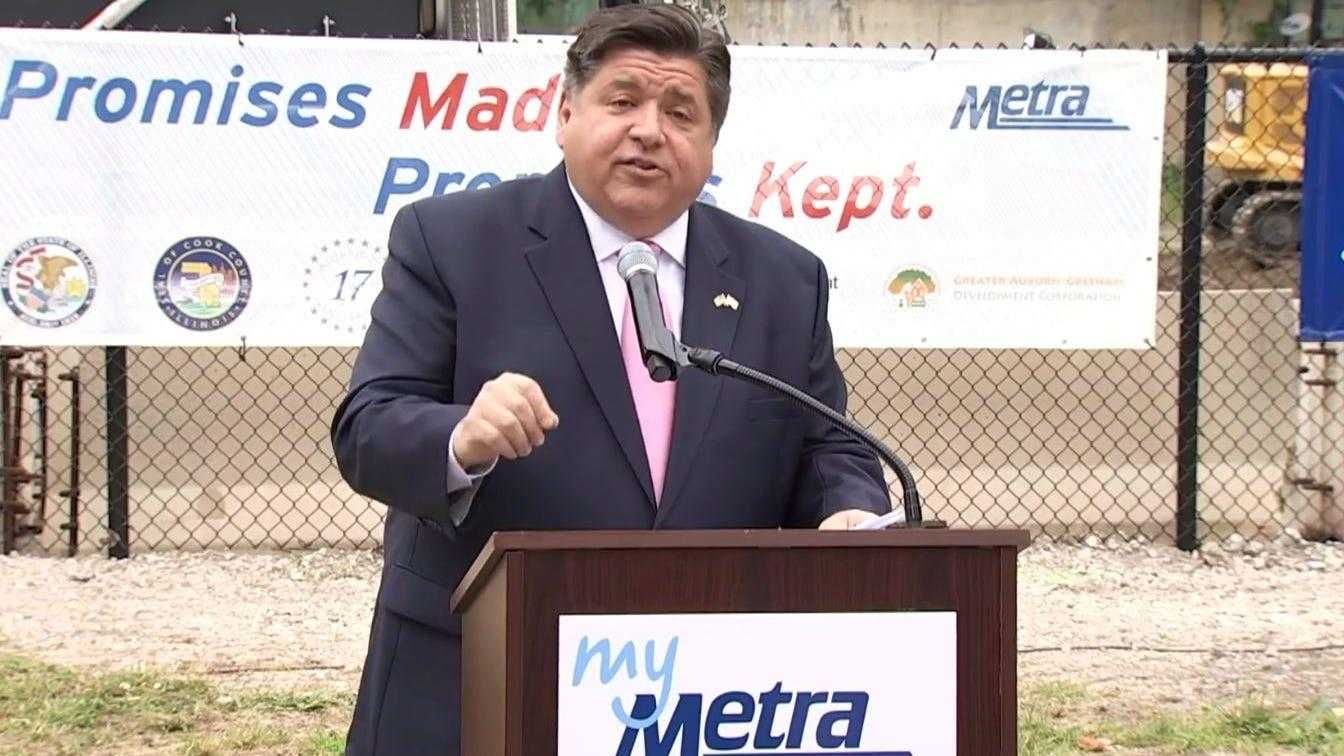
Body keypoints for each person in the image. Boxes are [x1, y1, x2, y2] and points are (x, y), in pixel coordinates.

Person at [330, 5, 889, 753]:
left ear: (711, 142)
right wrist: (460, 438)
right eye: (623, 101)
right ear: (566, 113)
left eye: (680, 112)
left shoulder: (784, 278)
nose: (649, 131)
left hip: (706, 692)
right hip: (477, 670)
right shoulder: (451, 241)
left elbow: (828, 446)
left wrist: (848, 509)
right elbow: (368, 426)